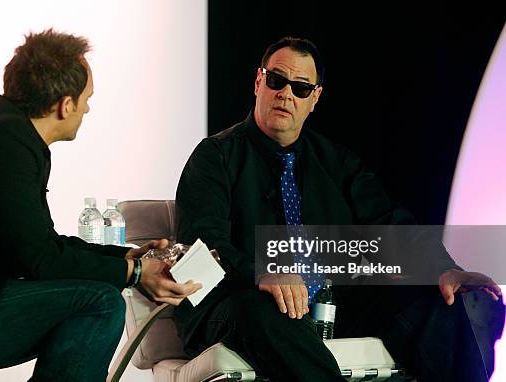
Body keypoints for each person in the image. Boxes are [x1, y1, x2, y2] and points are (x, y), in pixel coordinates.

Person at [173, 36, 504, 381]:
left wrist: (445, 269)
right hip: (234, 304)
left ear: (314, 98)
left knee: (442, 304)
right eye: (276, 81)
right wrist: (262, 274)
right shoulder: (214, 157)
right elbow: (200, 247)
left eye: (301, 88)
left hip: (327, 304)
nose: (286, 94)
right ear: (259, 82)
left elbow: (390, 225)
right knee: (264, 310)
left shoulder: (337, 163)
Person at [0, 29, 200, 382]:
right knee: (100, 303)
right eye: (86, 98)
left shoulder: (7, 133)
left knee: (97, 297)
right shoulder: (6, 145)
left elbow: (41, 245)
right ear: (65, 104)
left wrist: (125, 258)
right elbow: (39, 259)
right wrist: (133, 276)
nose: (88, 108)